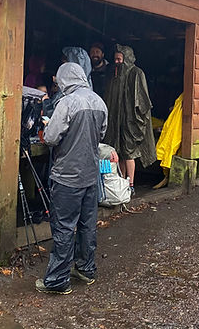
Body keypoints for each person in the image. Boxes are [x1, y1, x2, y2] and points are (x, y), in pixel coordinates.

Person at [36, 62, 108, 295]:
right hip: (90, 175)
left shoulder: (67, 103)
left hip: (67, 176)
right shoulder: (99, 102)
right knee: (87, 225)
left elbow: (51, 138)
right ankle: (86, 269)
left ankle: (58, 280)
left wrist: (48, 126)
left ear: (65, 80)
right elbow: (101, 133)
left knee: (64, 228)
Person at [103, 44, 156, 195]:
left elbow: (143, 101)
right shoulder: (114, 75)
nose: (117, 62)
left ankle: (131, 184)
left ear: (127, 59)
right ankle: (121, 182)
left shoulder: (136, 73)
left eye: (119, 59)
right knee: (118, 152)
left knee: (129, 153)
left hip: (130, 122)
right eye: (115, 59)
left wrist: (136, 120)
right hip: (115, 122)